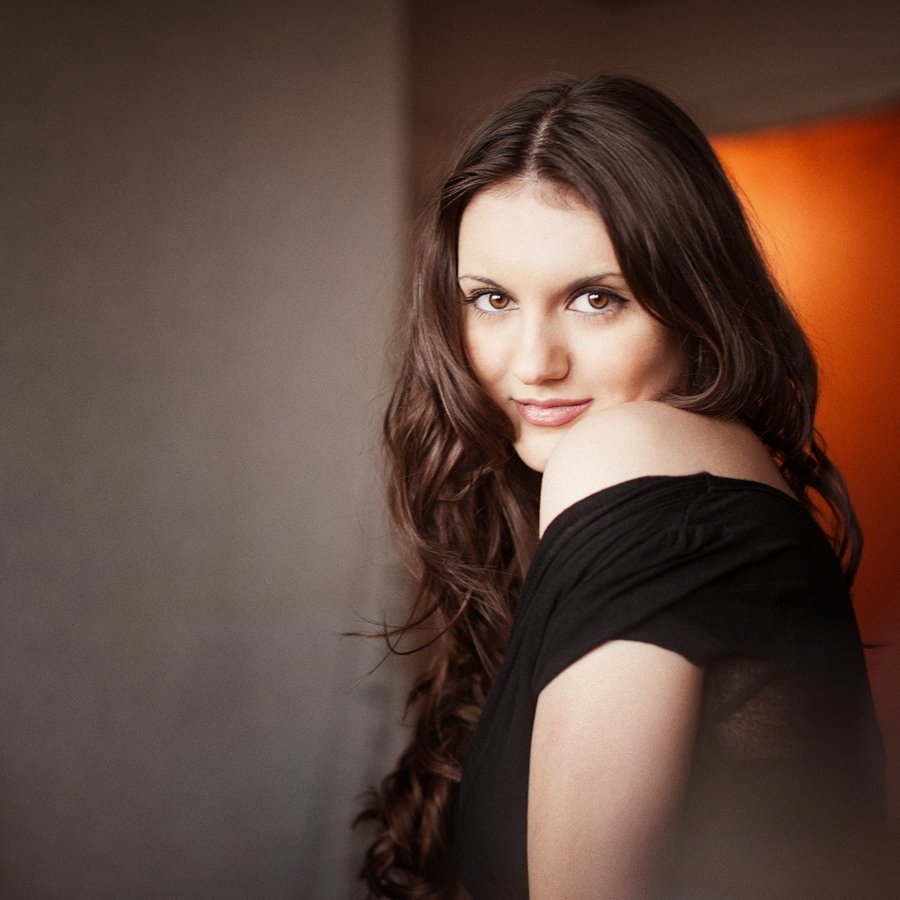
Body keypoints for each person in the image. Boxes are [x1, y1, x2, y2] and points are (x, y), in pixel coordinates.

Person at [356, 75, 887, 898]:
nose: (534, 363)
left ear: (695, 303)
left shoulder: (626, 449)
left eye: (596, 299)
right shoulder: (689, 484)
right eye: (491, 299)